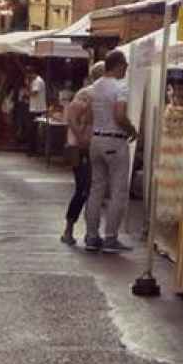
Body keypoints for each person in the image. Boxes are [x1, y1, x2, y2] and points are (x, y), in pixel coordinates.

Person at [80, 49, 137, 253]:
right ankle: (111, 237)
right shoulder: (120, 87)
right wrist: (132, 130)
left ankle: (91, 235)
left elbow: (87, 116)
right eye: (126, 66)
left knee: (96, 189)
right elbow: (120, 115)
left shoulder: (93, 87)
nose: (126, 69)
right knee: (118, 191)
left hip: (96, 140)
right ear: (119, 65)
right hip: (115, 140)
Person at [61, 61, 105, 246]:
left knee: (91, 190)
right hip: (81, 148)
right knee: (83, 189)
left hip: (91, 146)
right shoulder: (87, 94)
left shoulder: (101, 94)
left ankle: (90, 232)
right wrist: (81, 139)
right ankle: (69, 229)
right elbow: (71, 118)